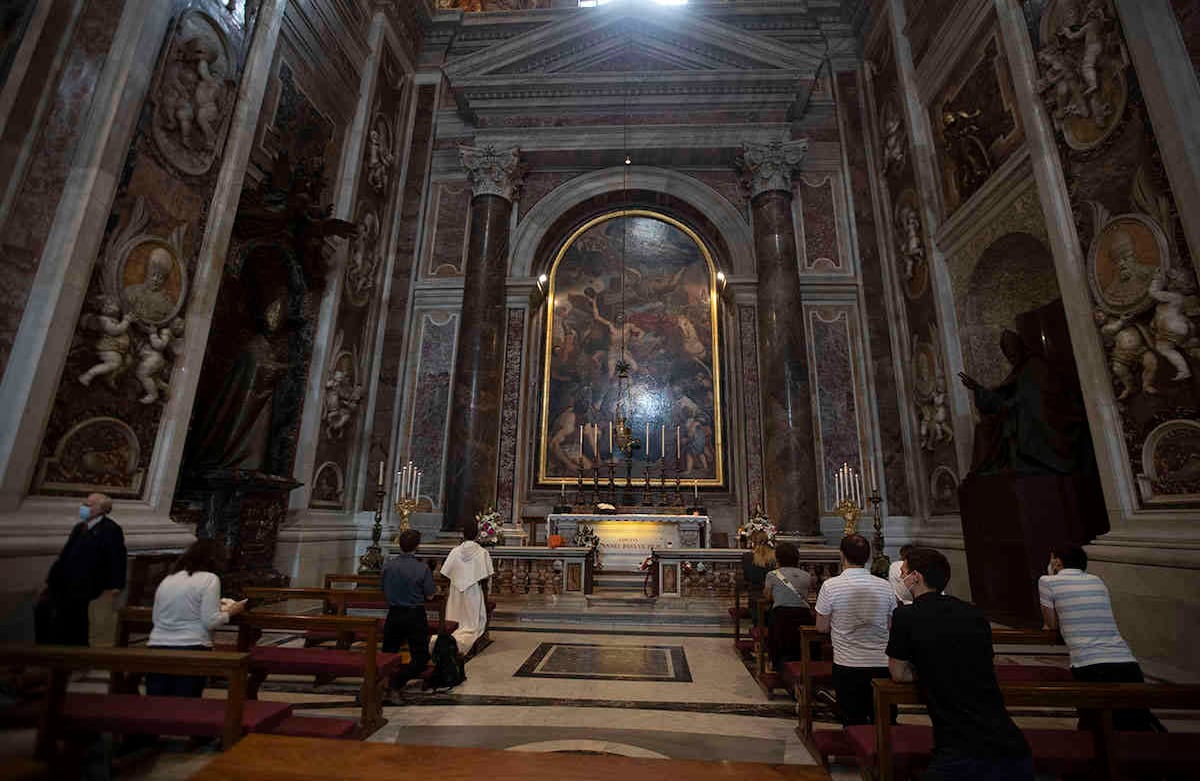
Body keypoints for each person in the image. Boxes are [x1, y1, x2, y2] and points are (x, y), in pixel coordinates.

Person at [887, 548, 1032, 781]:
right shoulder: (973, 613)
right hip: (1008, 738)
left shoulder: (906, 617)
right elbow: (986, 660)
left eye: (903, 572)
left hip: (959, 746)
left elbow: (898, 672)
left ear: (916, 577)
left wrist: (928, 669)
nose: (900, 577)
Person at [1039, 545, 1164, 732]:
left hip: (1089, 663)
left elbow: (1052, 624)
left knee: (1096, 728)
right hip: (1126, 662)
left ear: (1057, 562)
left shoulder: (1048, 581)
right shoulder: (1097, 581)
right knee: (1137, 727)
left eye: (1051, 559)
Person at [815, 534, 897, 726]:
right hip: (882, 664)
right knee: (885, 719)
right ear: (868, 558)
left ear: (841, 555)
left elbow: (821, 627)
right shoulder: (885, 587)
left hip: (848, 664)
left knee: (853, 721)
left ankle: (860, 753)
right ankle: (886, 754)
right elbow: (891, 626)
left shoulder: (830, 586)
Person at [146, 540, 245, 697]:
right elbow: (210, 621)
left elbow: (156, 617)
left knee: (157, 702)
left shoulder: (169, 579)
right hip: (191, 646)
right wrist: (231, 611)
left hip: (157, 646)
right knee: (186, 704)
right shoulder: (209, 579)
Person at [36, 493, 127, 646]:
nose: (83, 507)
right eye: (84, 503)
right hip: (65, 581)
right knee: (43, 609)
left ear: (101, 509)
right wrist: (50, 580)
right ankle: (46, 649)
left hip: (88, 583)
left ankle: (71, 652)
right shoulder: (79, 528)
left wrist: (117, 585)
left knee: (73, 616)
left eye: (88, 505)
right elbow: (65, 555)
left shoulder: (110, 529)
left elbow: (117, 557)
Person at [382, 529, 436, 689]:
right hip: (415, 615)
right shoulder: (422, 568)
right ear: (417, 546)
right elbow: (431, 595)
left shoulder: (388, 566)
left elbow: (383, 588)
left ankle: (383, 682)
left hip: (394, 613)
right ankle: (397, 681)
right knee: (420, 656)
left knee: (388, 653)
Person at [437, 521, 494, 656]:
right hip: (473, 591)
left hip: (456, 590)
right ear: (478, 534)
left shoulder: (455, 551)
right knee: (471, 625)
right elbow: (485, 578)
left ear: (463, 534)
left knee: (456, 619)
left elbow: (445, 572)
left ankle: (452, 638)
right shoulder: (482, 552)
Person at [763, 542, 813, 669]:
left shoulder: (772, 575)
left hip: (781, 616)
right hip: (803, 616)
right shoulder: (807, 576)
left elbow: (768, 596)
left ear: (777, 558)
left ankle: (776, 664)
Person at [740, 529, 775, 623]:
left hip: (755, 597)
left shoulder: (747, 557)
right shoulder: (775, 556)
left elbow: (747, 577)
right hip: (773, 597)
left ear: (753, 541)